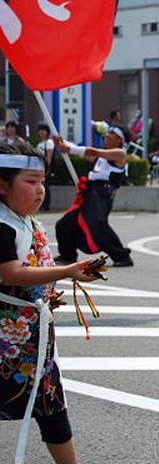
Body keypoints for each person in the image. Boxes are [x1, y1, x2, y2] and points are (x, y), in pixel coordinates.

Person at [0, 142, 100, 464]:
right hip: (7, 342)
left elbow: (35, 269)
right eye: (31, 181)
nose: (40, 190)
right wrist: (68, 270)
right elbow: (10, 272)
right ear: (2, 185)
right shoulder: (3, 226)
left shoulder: (26, 220)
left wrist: (51, 290)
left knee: (52, 408)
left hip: (34, 339)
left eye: (42, 180)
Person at [54, 126, 134, 267]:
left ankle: (122, 256)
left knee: (97, 224)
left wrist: (68, 148)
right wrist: (63, 143)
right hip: (90, 192)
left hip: (102, 194)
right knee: (64, 224)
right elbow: (86, 153)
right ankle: (68, 254)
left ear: (120, 140)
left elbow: (92, 151)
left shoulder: (120, 154)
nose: (107, 136)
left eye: (112, 134)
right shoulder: (103, 156)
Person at [36, 124, 56, 211]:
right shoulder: (40, 143)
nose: (41, 132)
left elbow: (49, 156)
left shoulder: (49, 142)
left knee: (45, 187)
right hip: (39, 168)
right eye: (40, 130)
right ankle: (42, 204)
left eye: (43, 130)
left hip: (45, 168)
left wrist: (47, 168)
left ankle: (46, 205)